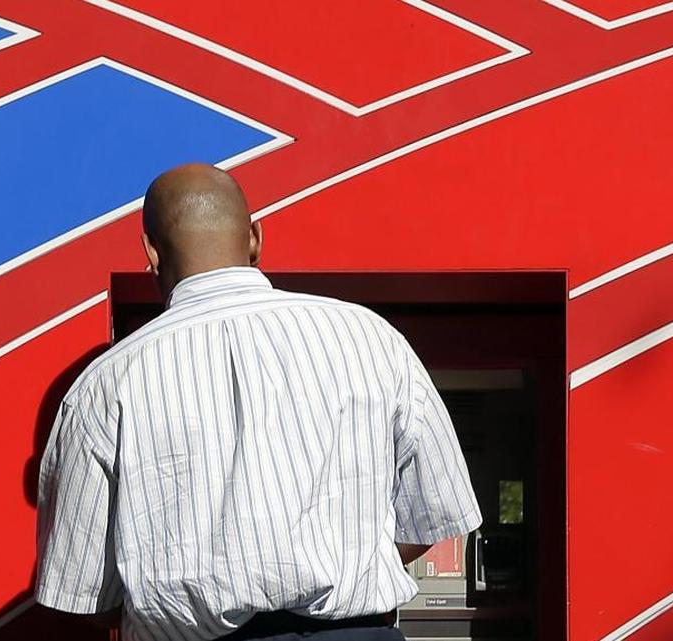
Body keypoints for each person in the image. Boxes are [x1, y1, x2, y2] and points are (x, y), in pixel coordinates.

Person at [35, 164, 482, 641]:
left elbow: (82, 590)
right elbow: (436, 510)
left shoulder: (105, 385)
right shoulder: (371, 340)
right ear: (255, 238)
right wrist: (343, 567)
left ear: (149, 251)